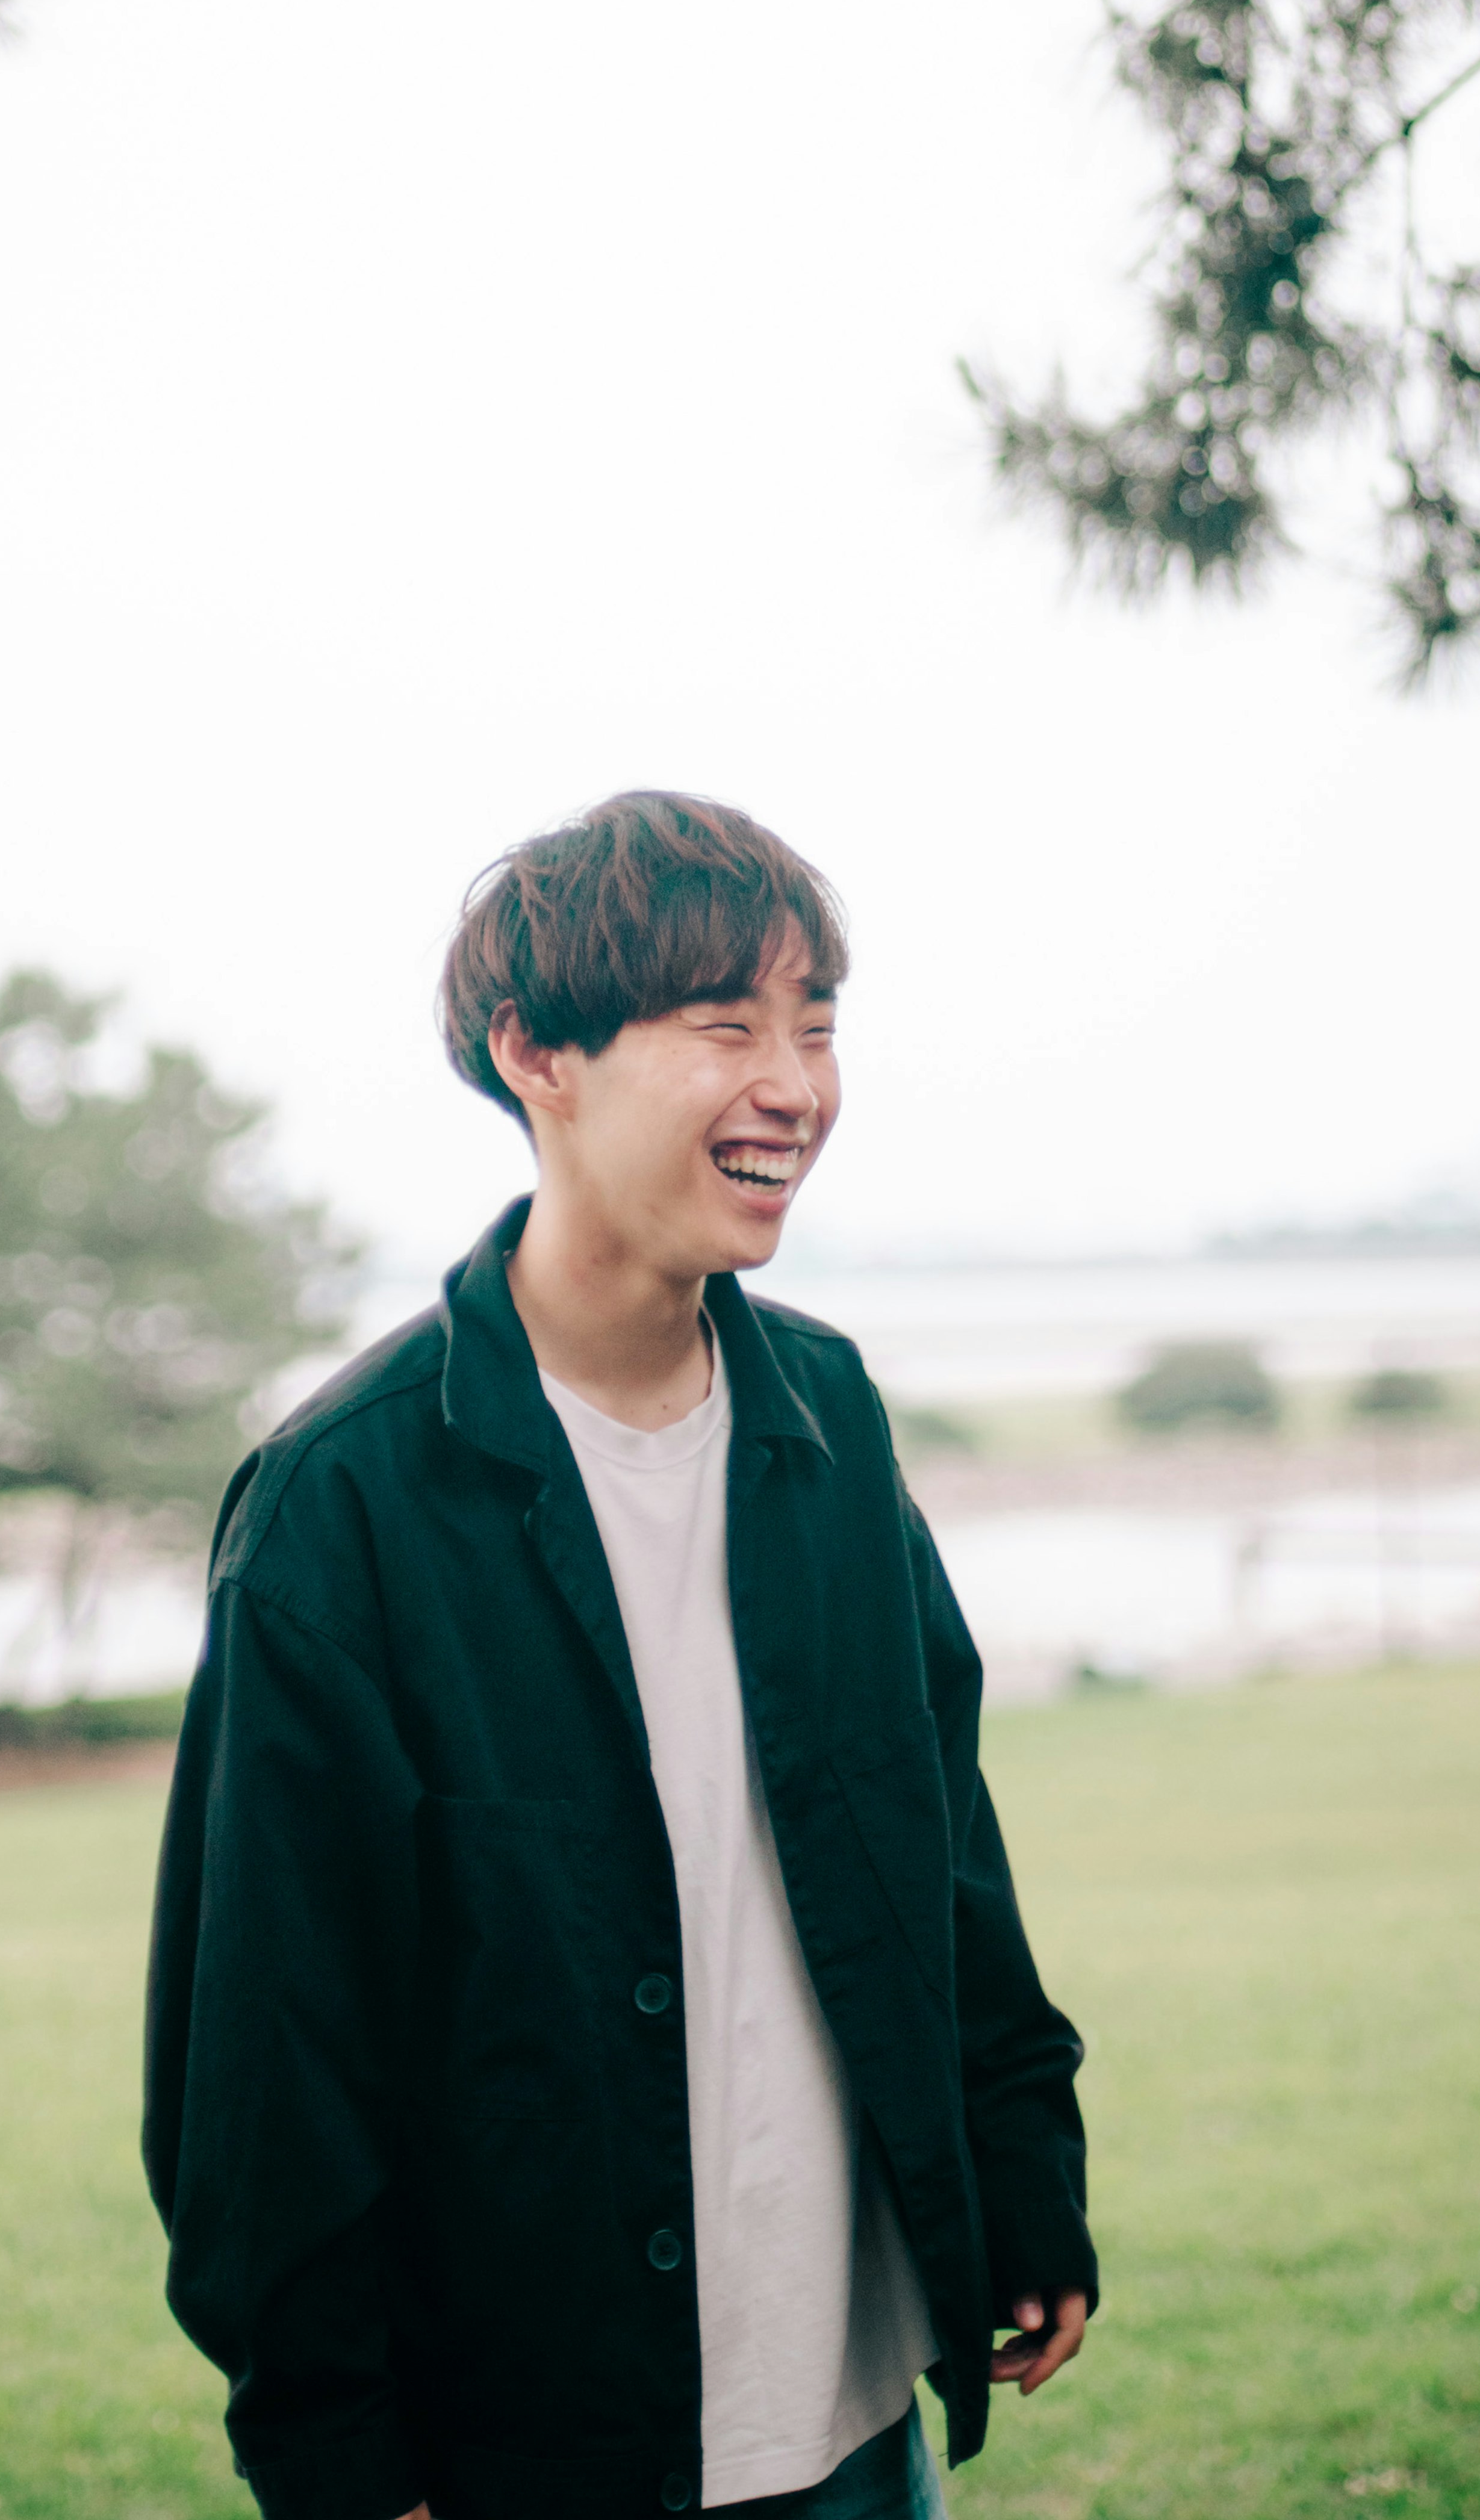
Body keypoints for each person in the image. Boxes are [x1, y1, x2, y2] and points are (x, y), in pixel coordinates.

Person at [144, 792, 1095, 2520]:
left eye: (817, 1025)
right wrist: (341, 2454)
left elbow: (936, 1840)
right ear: (536, 1055)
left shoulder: (834, 1417)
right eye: (727, 1023)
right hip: (533, 2450)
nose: (794, 1083)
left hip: (857, 2425)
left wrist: (1023, 2173)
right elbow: (264, 2053)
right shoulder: (339, 1510)